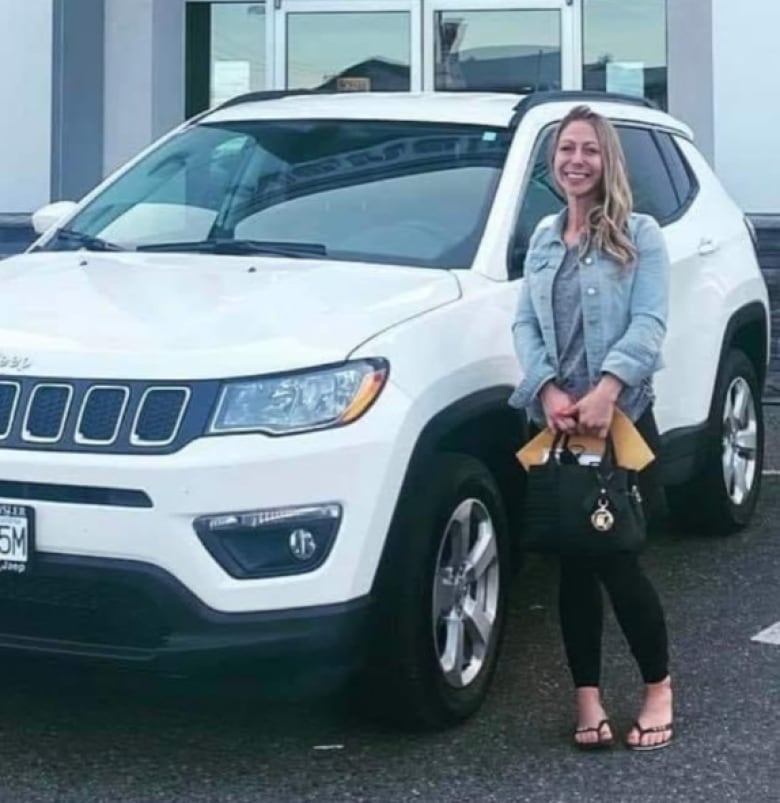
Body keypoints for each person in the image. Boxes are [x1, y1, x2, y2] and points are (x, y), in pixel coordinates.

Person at [508, 105, 673, 751]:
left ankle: (658, 687)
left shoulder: (641, 234)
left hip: (621, 419)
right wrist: (546, 388)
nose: (576, 160)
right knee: (573, 564)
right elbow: (525, 322)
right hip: (560, 423)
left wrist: (608, 389)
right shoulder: (546, 237)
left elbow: (651, 322)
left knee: (619, 557)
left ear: (608, 161)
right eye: (566, 150)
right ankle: (588, 699)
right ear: (554, 164)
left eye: (590, 150)